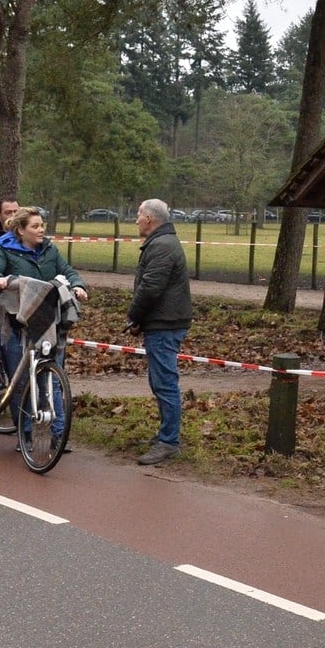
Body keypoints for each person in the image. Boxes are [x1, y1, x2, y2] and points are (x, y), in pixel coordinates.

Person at [0, 207, 88, 445]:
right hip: (16, 325)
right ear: (21, 230)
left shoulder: (50, 250)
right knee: (20, 383)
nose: (41, 230)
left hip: (48, 323)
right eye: (35, 226)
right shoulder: (4, 249)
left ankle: (59, 436)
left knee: (53, 379)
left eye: (42, 225)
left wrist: (78, 285)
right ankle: (25, 434)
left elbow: (67, 271)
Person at [127, 199, 194, 466]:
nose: (136, 220)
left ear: (149, 219)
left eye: (139, 215)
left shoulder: (162, 246)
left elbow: (151, 287)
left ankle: (169, 442)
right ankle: (166, 435)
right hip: (162, 321)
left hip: (166, 324)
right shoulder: (161, 242)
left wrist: (134, 316)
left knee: (165, 383)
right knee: (160, 382)